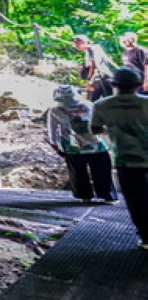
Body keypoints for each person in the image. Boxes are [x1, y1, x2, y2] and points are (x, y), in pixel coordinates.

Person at [90, 67, 148, 250]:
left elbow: (95, 129)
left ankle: (146, 237)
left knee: (135, 198)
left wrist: (114, 130)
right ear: (139, 85)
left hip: (126, 159)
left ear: (112, 84)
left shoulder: (101, 105)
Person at [46, 85, 117, 203]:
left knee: (78, 172)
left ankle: (84, 196)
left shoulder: (54, 110)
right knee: (102, 171)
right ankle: (107, 196)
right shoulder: (89, 105)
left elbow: (52, 129)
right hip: (96, 144)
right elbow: (101, 123)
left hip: (72, 146)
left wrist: (54, 144)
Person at [73, 34, 117, 101]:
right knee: (101, 101)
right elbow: (90, 65)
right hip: (100, 79)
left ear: (84, 42)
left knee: (95, 101)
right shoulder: (89, 50)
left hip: (101, 79)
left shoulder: (92, 49)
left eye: (78, 43)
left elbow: (94, 66)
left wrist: (89, 81)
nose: (76, 46)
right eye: (75, 44)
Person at [119, 32, 148, 96]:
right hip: (132, 82)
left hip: (141, 81)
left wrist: (146, 81)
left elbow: (146, 66)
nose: (122, 42)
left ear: (131, 40)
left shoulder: (140, 50)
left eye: (124, 40)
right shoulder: (125, 52)